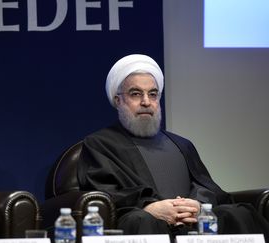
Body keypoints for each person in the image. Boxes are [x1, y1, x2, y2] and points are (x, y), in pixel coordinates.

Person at [77, 54, 269, 240]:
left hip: (193, 221)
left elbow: (205, 185)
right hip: (146, 220)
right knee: (139, 219)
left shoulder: (181, 144)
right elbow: (105, 190)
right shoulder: (101, 143)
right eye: (136, 94)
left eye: (153, 94)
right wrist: (149, 206)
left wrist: (197, 205)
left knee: (236, 213)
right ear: (118, 100)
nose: (146, 101)